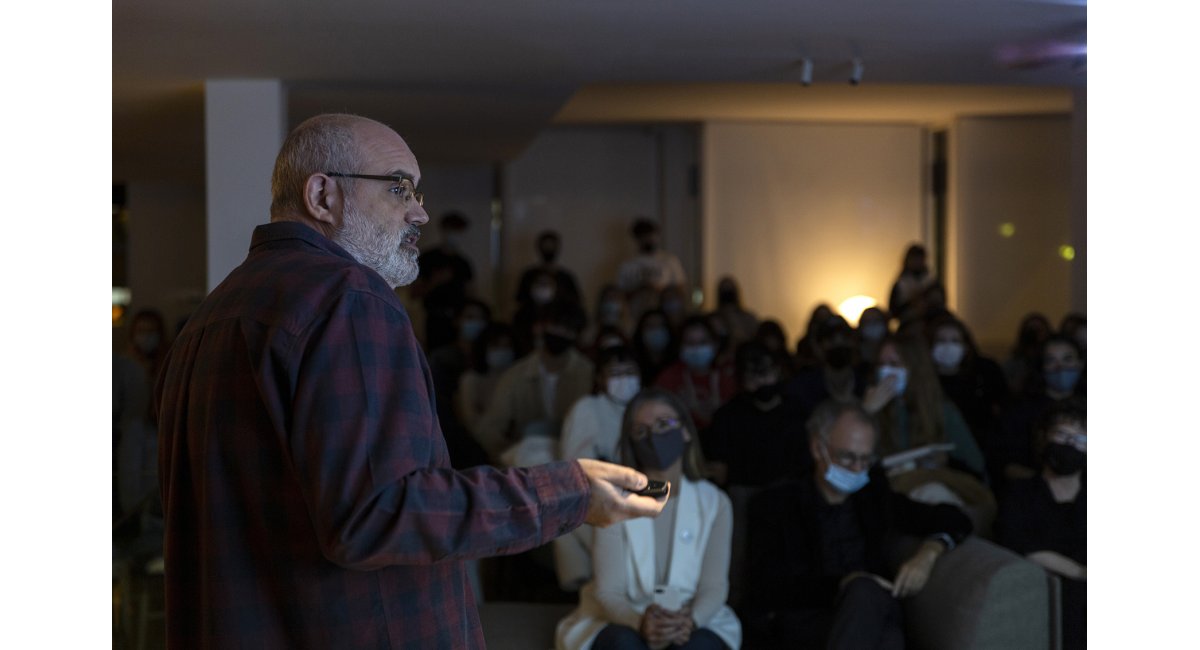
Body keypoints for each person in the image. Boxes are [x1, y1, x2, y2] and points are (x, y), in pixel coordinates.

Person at [155, 113, 666, 649]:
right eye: (398, 187)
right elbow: (379, 511)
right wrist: (569, 491)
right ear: (322, 195)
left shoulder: (209, 319)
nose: (420, 211)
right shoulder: (347, 297)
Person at [742, 400, 972, 650]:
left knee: (867, 597)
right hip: (809, 617)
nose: (858, 468)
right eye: (848, 457)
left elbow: (955, 518)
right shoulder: (776, 503)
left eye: (866, 459)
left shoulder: (873, 495)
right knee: (888, 640)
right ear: (819, 449)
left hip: (872, 605)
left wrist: (930, 551)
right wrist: (846, 582)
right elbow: (766, 586)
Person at [557, 389, 742, 650]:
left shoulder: (715, 502)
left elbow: (714, 586)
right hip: (621, 616)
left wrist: (690, 621)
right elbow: (609, 591)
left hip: (692, 615)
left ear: (686, 431)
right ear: (631, 442)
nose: (655, 436)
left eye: (664, 424)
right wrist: (640, 622)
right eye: (642, 431)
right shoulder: (613, 500)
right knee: (625, 644)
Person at [994, 399, 1086, 650]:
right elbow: (1019, 543)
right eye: (1062, 435)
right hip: (1048, 586)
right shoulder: (1021, 493)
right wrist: (1080, 572)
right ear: (1045, 437)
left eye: (1081, 440)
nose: (1070, 445)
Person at [555, 346, 644, 591]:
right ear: (600, 378)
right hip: (602, 496)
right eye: (616, 373)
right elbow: (575, 465)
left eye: (630, 372)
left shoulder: (650, 406)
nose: (624, 379)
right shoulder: (587, 409)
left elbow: (672, 426)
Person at [473, 301, 595, 467]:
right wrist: (510, 455)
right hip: (526, 467)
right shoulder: (516, 376)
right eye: (555, 326)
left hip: (577, 464)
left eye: (568, 329)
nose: (560, 333)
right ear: (540, 327)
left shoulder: (588, 373)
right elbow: (490, 429)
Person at [702, 341, 813, 489]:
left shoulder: (797, 412)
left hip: (789, 494)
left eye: (765, 372)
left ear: (777, 371)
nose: (760, 381)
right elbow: (719, 470)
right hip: (743, 493)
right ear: (741, 378)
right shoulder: (727, 416)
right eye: (752, 375)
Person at [988, 334, 1086, 492]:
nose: (1060, 367)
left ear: (1080, 363)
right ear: (1041, 367)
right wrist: (1045, 483)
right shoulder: (1019, 411)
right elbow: (1003, 463)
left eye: (1067, 359)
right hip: (1036, 492)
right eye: (1051, 361)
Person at [924, 314, 1010, 450]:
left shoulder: (983, 376)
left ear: (966, 347)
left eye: (955, 341)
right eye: (941, 340)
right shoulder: (923, 384)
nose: (948, 346)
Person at [654, 315, 737, 433]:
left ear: (715, 345)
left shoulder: (727, 377)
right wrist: (679, 419)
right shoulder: (668, 378)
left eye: (702, 342)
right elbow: (659, 418)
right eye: (690, 343)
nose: (696, 348)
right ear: (681, 347)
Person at [410, 210, 475, 349]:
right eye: (451, 230)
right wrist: (434, 282)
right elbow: (413, 293)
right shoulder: (428, 258)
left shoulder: (463, 263)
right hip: (433, 319)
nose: (454, 235)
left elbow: (471, 294)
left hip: (457, 321)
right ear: (443, 230)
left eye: (458, 231)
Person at [455, 321, 517, 443]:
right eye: (495, 346)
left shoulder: (518, 379)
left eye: (507, 346)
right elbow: (471, 421)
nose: (502, 351)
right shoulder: (471, 380)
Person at [515, 229, 583, 315]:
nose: (548, 249)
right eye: (546, 246)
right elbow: (520, 300)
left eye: (551, 246)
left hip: (560, 322)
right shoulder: (529, 275)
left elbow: (575, 302)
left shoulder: (566, 278)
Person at [616, 217, 688, 297]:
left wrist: (658, 290)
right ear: (636, 238)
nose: (648, 239)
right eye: (643, 236)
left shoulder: (669, 261)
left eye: (651, 235)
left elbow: (680, 289)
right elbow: (620, 295)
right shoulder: (627, 265)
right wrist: (641, 290)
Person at [1002, 312, 1053, 396]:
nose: (1035, 335)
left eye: (1039, 330)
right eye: (1031, 331)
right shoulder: (1013, 362)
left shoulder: (1053, 359)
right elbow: (1011, 389)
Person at [887, 243, 935, 332]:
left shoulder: (931, 283)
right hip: (906, 326)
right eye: (914, 258)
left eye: (919, 259)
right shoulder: (900, 285)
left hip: (929, 326)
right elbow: (892, 311)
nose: (917, 262)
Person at [710, 275, 759, 352]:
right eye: (724, 290)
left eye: (730, 290)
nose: (727, 293)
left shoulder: (748, 318)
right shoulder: (713, 319)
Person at [632, 308, 677, 388]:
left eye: (661, 326)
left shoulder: (677, 363)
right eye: (650, 326)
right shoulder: (633, 363)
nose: (656, 331)